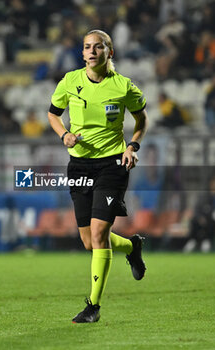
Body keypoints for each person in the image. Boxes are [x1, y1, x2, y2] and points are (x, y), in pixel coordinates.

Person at [48, 29, 149, 323]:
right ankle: (133, 246)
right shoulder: (70, 81)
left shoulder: (123, 86)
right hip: (79, 166)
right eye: (87, 47)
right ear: (82, 54)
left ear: (109, 52)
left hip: (112, 165)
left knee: (97, 234)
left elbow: (141, 119)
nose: (91, 51)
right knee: (90, 242)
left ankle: (93, 306)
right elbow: (53, 113)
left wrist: (132, 145)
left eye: (98, 47)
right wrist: (64, 134)